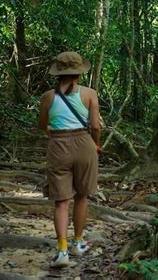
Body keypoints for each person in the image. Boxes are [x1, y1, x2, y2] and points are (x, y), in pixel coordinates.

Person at [38, 51, 101, 268]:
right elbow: (95, 126)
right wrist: (95, 143)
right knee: (82, 195)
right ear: (79, 73)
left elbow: (43, 124)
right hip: (85, 144)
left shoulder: (47, 97)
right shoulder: (90, 94)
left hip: (58, 145)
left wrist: (55, 135)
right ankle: (78, 242)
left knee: (62, 201)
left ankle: (62, 250)